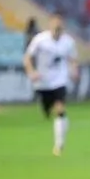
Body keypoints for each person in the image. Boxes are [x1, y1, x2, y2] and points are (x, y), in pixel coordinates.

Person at [23, 15, 79, 156]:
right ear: (50, 26)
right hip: (43, 82)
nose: (57, 30)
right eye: (55, 27)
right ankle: (48, 111)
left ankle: (59, 145)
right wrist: (32, 72)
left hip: (60, 80)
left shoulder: (68, 42)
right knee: (47, 110)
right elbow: (28, 57)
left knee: (60, 109)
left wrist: (74, 70)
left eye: (59, 27)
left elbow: (73, 59)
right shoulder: (40, 40)